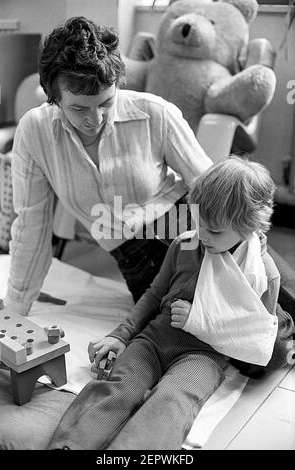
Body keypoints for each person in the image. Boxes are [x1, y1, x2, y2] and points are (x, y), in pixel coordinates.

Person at [48, 155, 291, 450]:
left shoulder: (263, 274)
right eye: (198, 221)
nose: (202, 235)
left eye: (214, 231)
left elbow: (253, 335)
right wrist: (120, 335)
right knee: (116, 388)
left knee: (170, 402)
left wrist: (200, 317)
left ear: (249, 226)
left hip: (203, 356)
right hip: (153, 340)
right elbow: (153, 294)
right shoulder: (185, 244)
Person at [5, 16, 211, 316]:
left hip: (191, 224)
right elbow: (31, 225)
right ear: (54, 98)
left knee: (278, 294)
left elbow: (209, 184)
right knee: (211, 335)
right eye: (79, 108)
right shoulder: (35, 131)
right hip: (138, 259)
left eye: (105, 103)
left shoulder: (155, 113)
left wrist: (246, 239)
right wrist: (15, 308)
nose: (96, 119)